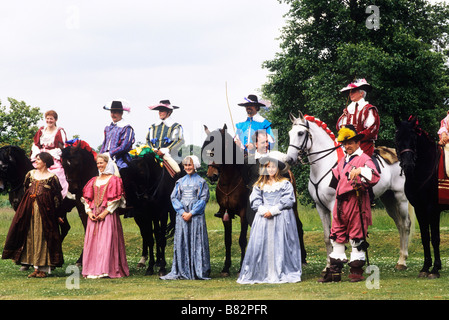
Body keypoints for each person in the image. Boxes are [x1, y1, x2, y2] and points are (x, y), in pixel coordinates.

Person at [318, 125, 380, 283]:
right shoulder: (343, 159)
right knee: (337, 235)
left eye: (350, 143)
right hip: (340, 203)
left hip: (356, 200)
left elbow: (374, 176)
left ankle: (356, 271)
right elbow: (336, 177)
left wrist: (360, 171)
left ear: (358, 143)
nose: (347, 146)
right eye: (345, 144)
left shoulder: (364, 158)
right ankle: (335, 271)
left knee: (356, 236)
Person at [237, 153, 302, 284]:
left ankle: (281, 269)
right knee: (262, 243)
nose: (271, 169)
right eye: (268, 167)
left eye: (273, 167)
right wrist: (263, 210)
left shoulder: (285, 183)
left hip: (280, 217)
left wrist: (273, 211)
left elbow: (288, 200)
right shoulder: (259, 184)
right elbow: (255, 201)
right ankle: (264, 271)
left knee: (280, 242)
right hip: (263, 218)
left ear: (278, 169)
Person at [2, 152, 64, 278]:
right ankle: (32, 264)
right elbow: (26, 189)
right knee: (30, 234)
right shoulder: (30, 175)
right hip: (29, 209)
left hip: (46, 212)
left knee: (43, 236)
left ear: (45, 162)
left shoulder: (52, 177)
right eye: (36, 159)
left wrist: (57, 214)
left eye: (38, 159)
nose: (36, 161)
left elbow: (57, 197)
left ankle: (43, 267)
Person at [160, 155, 210, 280]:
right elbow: (174, 198)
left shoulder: (201, 182)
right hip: (182, 217)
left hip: (195, 217)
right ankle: (182, 269)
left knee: (196, 241)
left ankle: (197, 269)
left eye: (190, 165)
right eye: (186, 165)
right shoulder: (180, 182)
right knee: (182, 241)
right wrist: (182, 212)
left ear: (195, 166)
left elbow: (203, 200)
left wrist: (191, 213)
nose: (187, 167)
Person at [81, 153, 129, 279]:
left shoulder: (114, 180)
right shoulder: (93, 180)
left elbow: (116, 200)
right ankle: (93, 269)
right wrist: (89, 213)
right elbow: (87, 199)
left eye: (101, 163)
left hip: (108, 215)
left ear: (108, 164)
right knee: (94, 243)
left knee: (106, 242)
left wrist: (105, 213)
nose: (99, 165)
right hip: (94, 216)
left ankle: (106, 269)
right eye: (98, 163)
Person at [336, 79, 380, 157]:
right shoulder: (349, 109)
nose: (350, 94)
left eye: (353, 91)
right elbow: (339, 127)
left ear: (361, 93)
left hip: (364, 146)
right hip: (348, 146)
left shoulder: (368, 109)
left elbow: (372, 130)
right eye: (350, 92)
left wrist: (355, 137)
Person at [31, 110, 69, 198]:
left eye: (51, 119)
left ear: (55, 120)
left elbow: (63, 147)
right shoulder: (41, 130)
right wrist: (38, 154)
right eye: (47, 119)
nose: (49, 121)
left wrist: (49, 154)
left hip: (53, 157)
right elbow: (35, 144)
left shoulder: (59, 131)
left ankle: (57, 196)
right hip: (40, 156)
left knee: (57, 173)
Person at [146, 99, 184, 176]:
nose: (160, 112)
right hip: (154, 153)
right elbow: (148, 140)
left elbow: (180, 141)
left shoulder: (176, 126)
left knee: (178, 170)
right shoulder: (153, 126)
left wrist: (165, 150)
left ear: (169, 112)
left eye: (162, 110)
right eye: (159, 110)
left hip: (170, 154)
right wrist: (153, 149)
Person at [100, 100, 135, 176]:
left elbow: (125, 146)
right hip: (105, 158)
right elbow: (104, 143)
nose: (113, 115)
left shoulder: (127, 128)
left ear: (121, 113)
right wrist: (100, 155)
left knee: (124, 173)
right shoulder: (108, 128)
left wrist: (110, 153)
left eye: (115, 112)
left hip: (120, 159)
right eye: (112, 112)